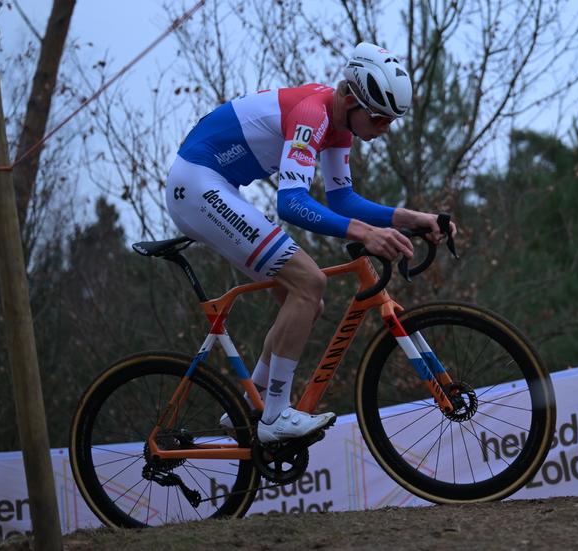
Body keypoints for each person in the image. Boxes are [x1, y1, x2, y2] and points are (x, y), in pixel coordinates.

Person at [165, 42, 456, 444]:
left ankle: (254, 406)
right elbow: (292, 203)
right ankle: (276, 415)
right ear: (352, 98)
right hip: (196, 185)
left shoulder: (340, 124)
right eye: (379, 117)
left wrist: (414, 218)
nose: (384, 129)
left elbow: (343, 199)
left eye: (390, 120)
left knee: (307, 300)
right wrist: (364, 232)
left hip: (213, 185)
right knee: (310, 281)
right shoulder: (312, 113)